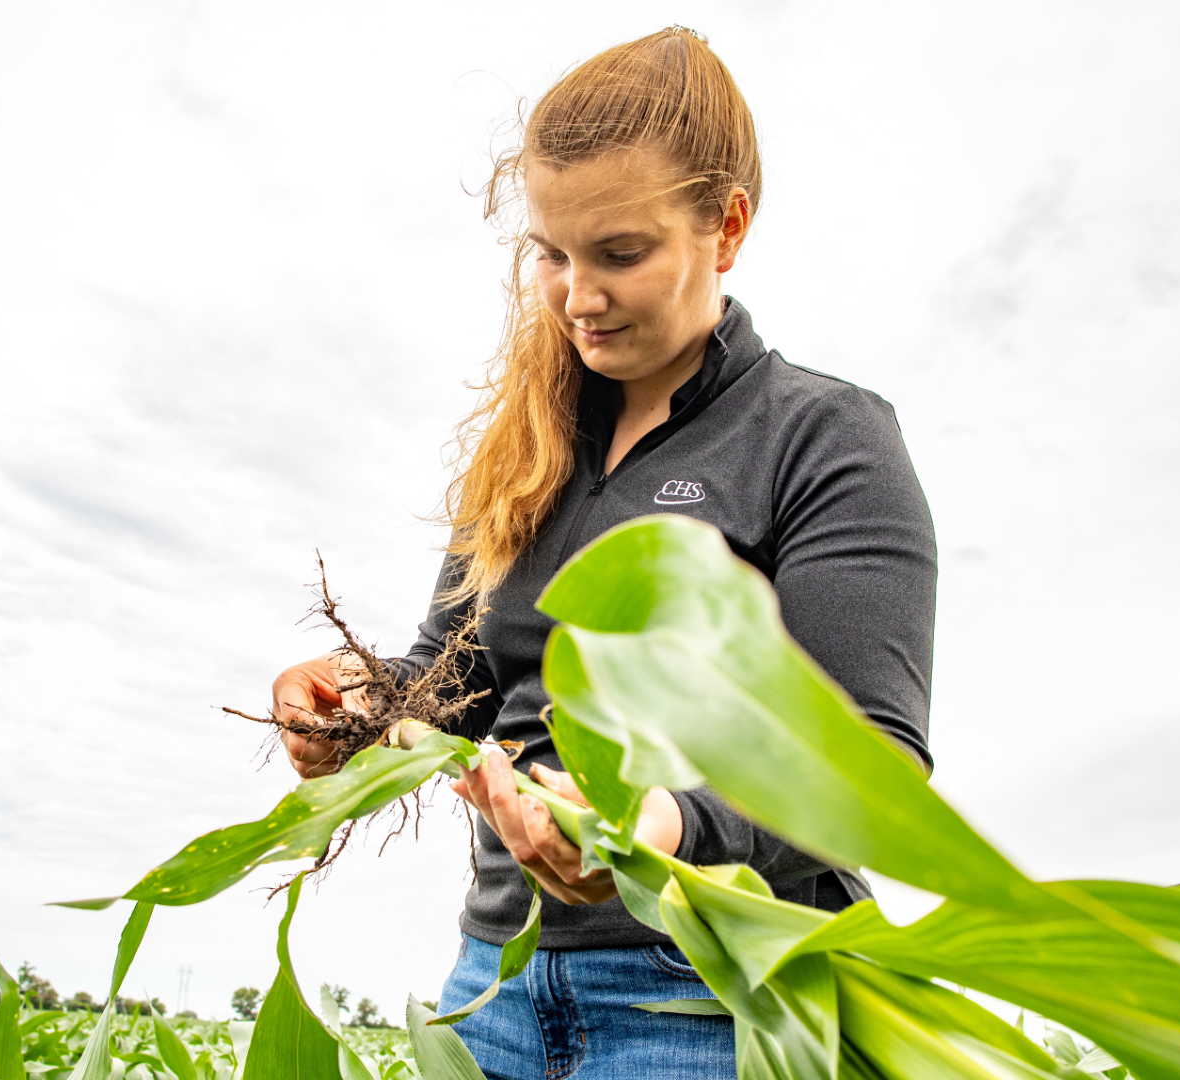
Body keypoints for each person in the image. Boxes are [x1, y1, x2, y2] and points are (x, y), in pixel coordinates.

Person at [270, 27, 936, 1080]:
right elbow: (458, 680)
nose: (578, 297)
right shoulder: (524, 450)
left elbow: (875, 762)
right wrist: (359, 704)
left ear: (726, 229)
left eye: (620, 254)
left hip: (707, 1004)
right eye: (552, 254)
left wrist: (664, 829)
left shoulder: (823, 438)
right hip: (492, 987)